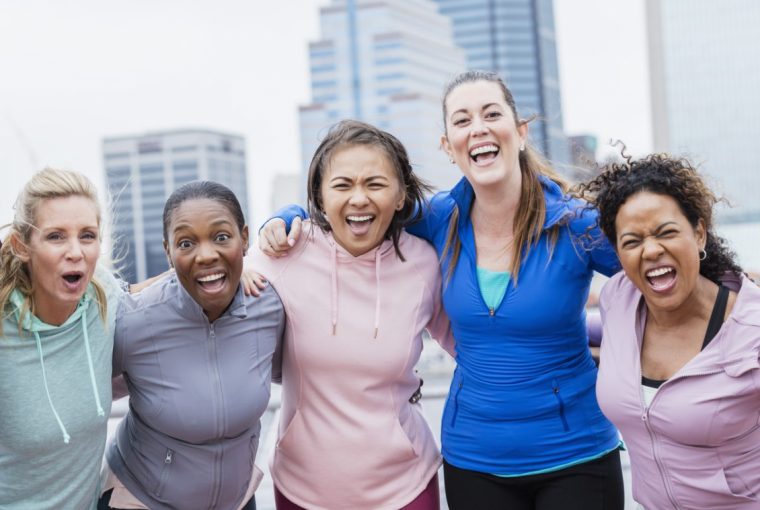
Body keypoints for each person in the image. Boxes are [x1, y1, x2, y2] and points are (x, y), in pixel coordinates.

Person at [261, 71, 625, 509]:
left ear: (520, 131)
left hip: (575, 454)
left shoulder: (575, 224)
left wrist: (617, 336)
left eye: (492, 114)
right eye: (462, 120)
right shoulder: (438, 219)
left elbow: (654, 272)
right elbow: (357, 204)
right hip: (474, 459)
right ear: (448, 146)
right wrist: (285, 215)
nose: (479, 129)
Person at [249, 120, 453, 510]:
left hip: (406, 485)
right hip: (302, 488)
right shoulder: (284, 253)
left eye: (375, 184)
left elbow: (475, 343)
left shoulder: (424, 265)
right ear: (320, 197)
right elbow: (209, 279)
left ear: (400, 196)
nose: (359, 198)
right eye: (342, 185)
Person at [576, 153, 760, 509]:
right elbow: (585, 332)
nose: (651, 250)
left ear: (699, 234)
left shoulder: (750, 331)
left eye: (666, 232)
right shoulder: (619, 301)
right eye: (632, 241)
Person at [100, 181, 284, 510]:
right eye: (186, 243)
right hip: (141, 500)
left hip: (237, 501)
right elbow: (88, 392)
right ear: (168, 252)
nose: (206, 254)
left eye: (221, 237)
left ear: (244, 238)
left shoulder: (269, 307)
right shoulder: (135, 321)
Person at [0, 168, 126, 509]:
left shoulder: (105, 296)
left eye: (87, 235)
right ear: (22, 246)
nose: (76, 252)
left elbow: (170, 295)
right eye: (56, 236)